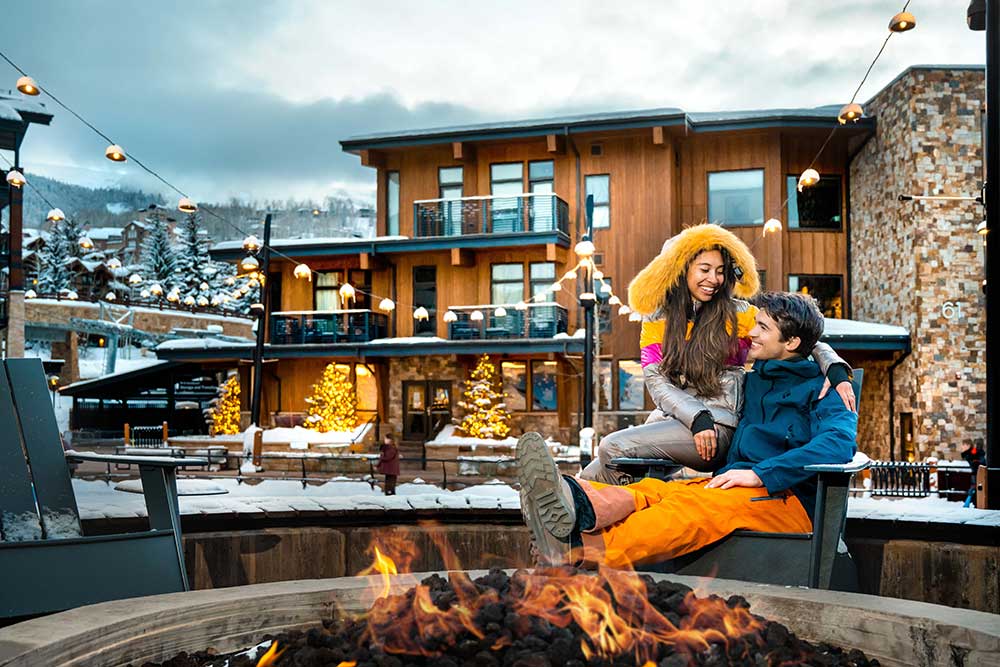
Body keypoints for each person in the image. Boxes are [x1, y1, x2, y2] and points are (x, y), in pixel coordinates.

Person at [519, 291, 858, 568]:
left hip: (789, 500)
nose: (751, 332)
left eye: (762, 328)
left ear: (792, 342)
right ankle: (576, 502)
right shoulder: (753, 381)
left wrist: (762, 474)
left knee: (688, 510)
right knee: (657, 491)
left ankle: (578, 550)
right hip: (736, 485)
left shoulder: (827, 389)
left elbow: (838, 445)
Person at [580, 224, 855, 485]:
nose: (714, 279)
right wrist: (696, 416)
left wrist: (835, 367)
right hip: (679, 422)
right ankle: (569, 511)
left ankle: (629, 507)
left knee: (612, 447)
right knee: (590, 475)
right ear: (681, 270)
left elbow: (798, 335)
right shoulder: (657, 319)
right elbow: (656, 381)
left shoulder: (737, 314)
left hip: (720, 424)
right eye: (705, 269)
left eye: (721, 271)